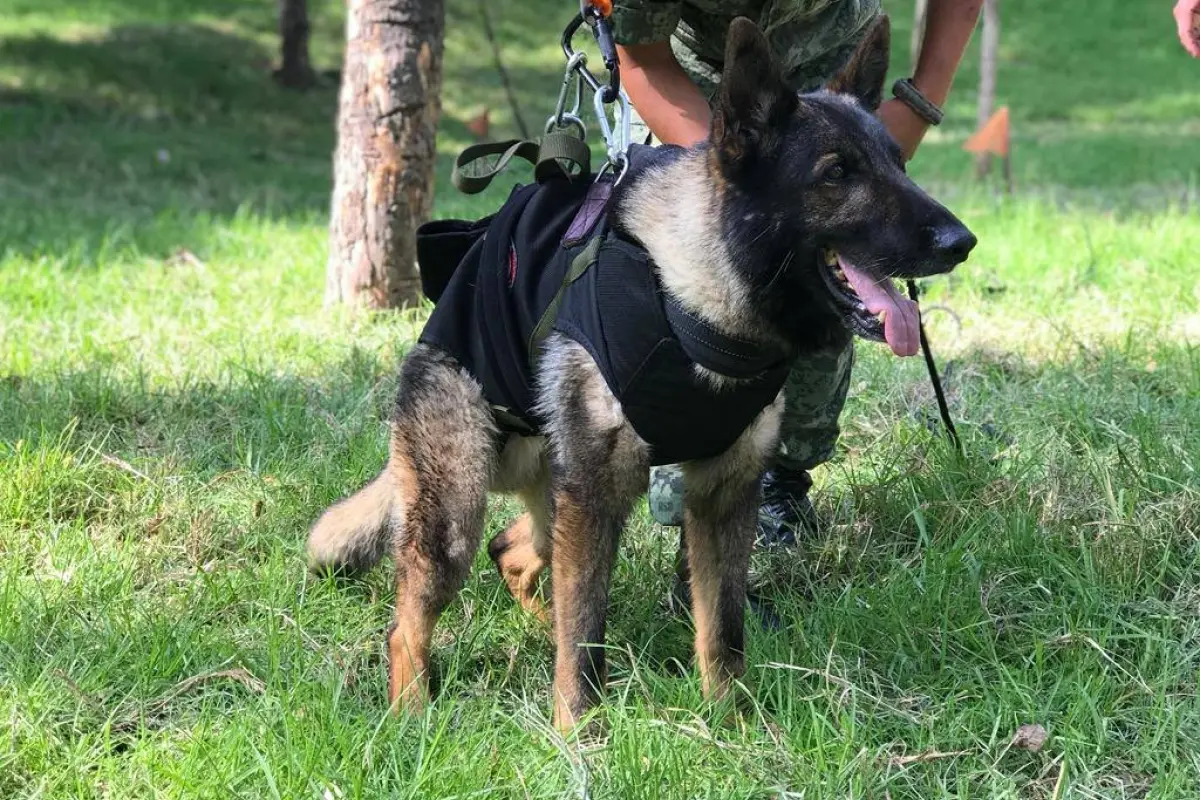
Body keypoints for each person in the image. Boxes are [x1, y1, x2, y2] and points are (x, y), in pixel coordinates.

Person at [611, 0, 985, 545]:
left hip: (834, 64)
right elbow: (642, 60)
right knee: (691, 283)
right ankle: (682, 475)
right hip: (684, 75)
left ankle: (778, 482)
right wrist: (728, 173)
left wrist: (918, 103)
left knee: (822, 280)